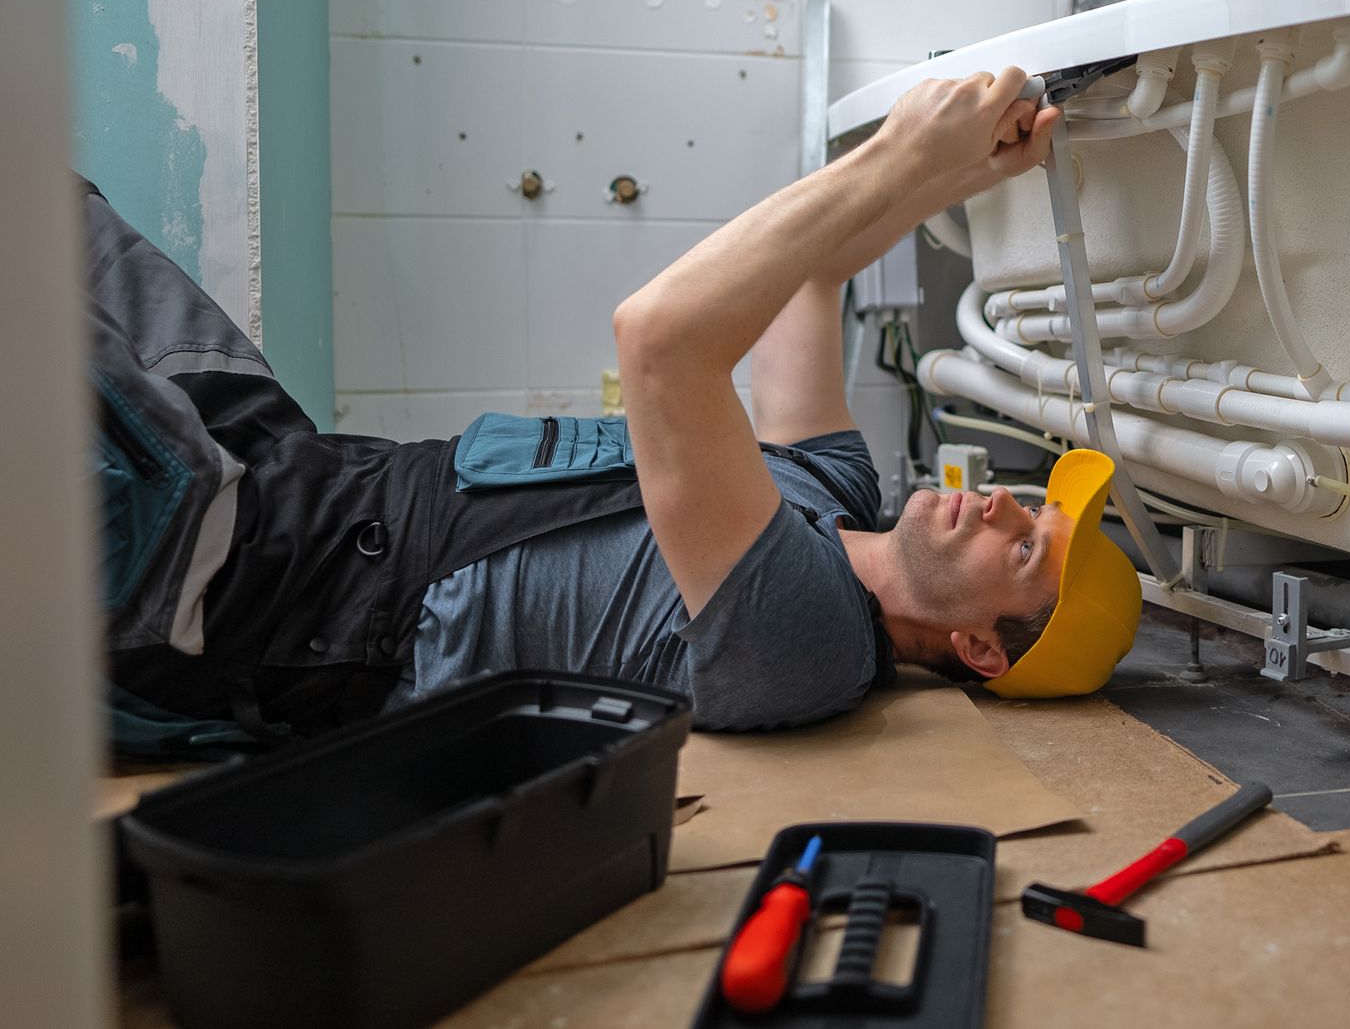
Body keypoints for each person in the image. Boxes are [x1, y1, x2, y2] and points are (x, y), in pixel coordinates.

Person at [93, 66, 1144, 737]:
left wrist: (901, 154)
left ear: (978, 648)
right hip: (291, 469)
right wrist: (962, 175)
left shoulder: (807, 636)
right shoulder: (835, 491)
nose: (1004, 502)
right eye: (1029, 500)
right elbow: (812, 278)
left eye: (1020, 548)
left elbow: (663, 340)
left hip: (250, 584)